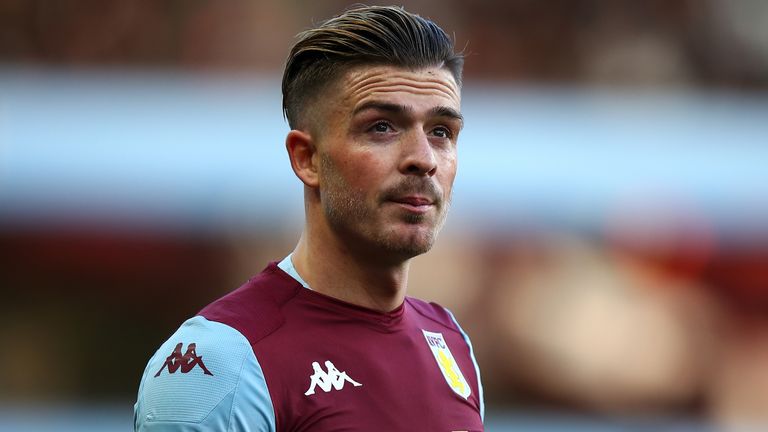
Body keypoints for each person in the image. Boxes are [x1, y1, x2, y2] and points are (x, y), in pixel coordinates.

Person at [134, 5, 484, 431]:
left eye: (441, 131)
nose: (423, 159)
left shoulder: (450, 342)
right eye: (382, 128)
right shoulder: (221, 362)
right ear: (307, 158)